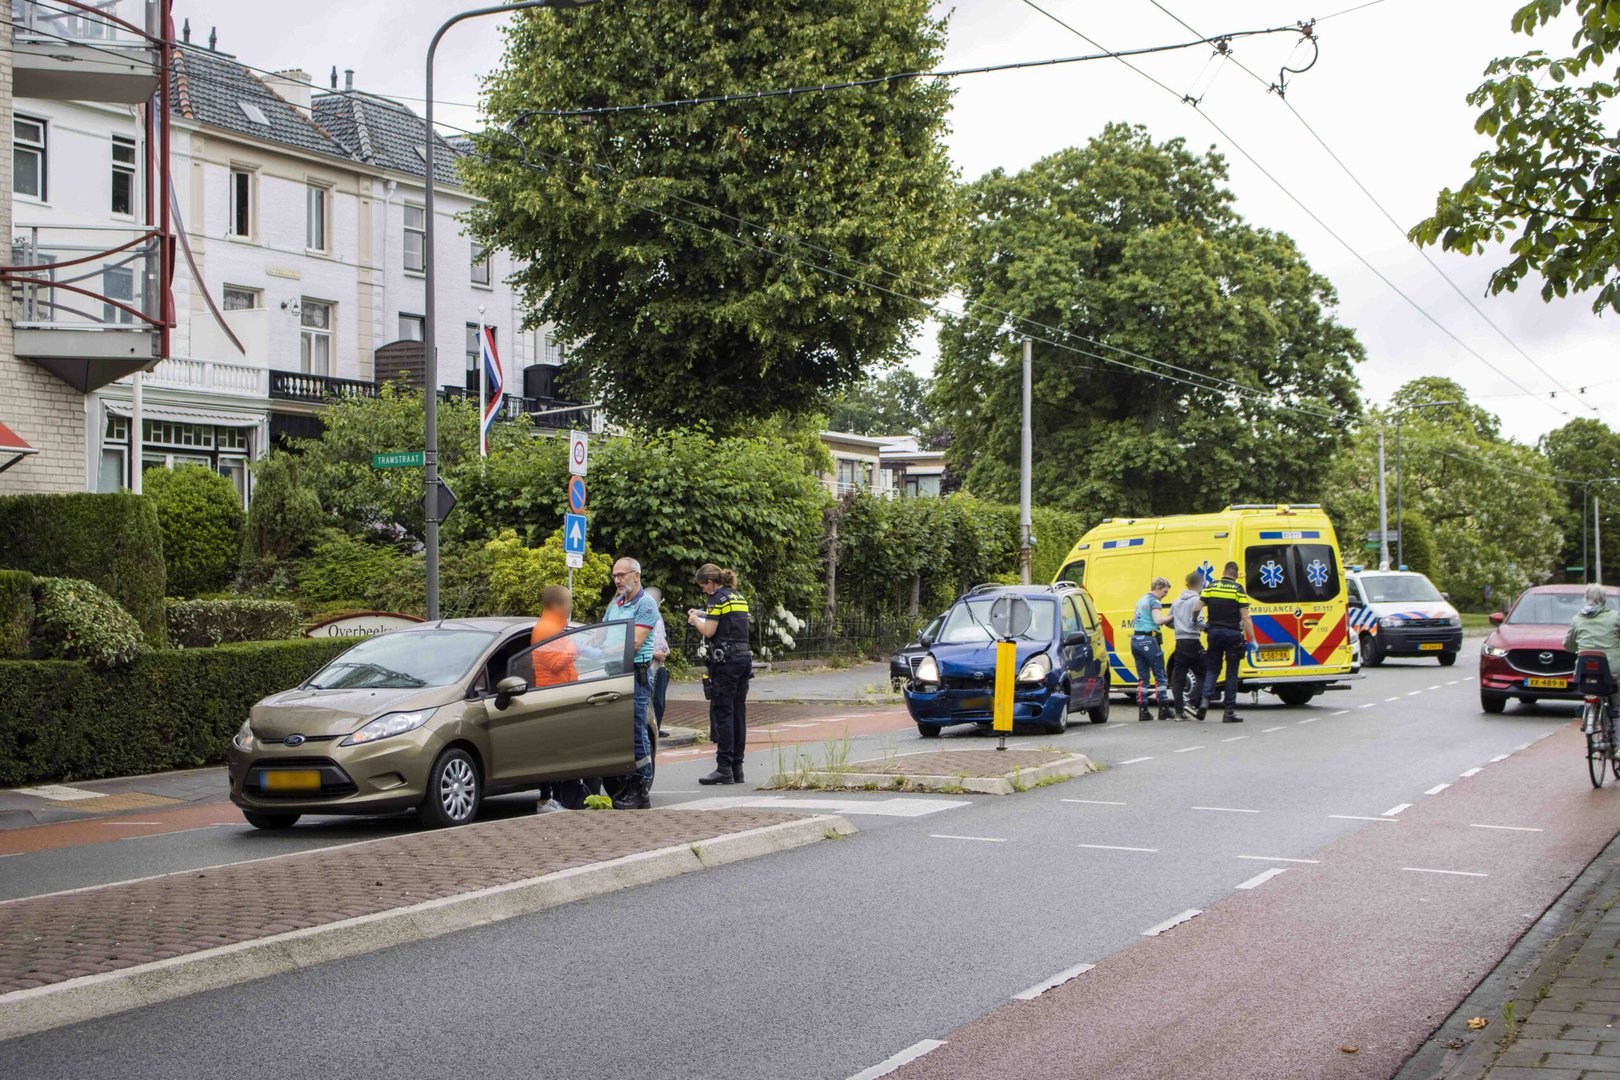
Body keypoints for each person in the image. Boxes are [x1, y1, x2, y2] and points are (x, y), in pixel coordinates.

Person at [688, 563, 752, 785]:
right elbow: (726, 618)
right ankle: (737, 767)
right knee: (738, 712)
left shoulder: (716, 598)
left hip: (726, 662)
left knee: (723, 712)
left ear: (710, 583)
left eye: (703, 586)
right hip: (744, 659)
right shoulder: (737, 596)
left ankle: (723, 767)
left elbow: (709, 630)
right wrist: (703, 612)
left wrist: (696, 619)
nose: (703, 590)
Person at [603, 557, 659, 809]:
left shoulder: (645, 604)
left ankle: (641, 787)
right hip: (614, 671)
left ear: (636, 575)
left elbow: (634, 643)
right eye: (615, 575)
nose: (617, 580)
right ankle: (626, 783)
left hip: (635, 672)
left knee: (636, 729)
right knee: (619, 730)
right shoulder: (616, 603)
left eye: (622, 575)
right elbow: (603, 633)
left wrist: (602, 652)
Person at [1196, 561, 1254, 723]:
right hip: (1233, 634)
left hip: (1214, 633)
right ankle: (1229, 712)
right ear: (1236, 574)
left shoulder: (1211, 587)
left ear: (1224, 571)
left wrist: (1197, 622)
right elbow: (1245, 617)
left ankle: (1204, 702)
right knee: (1231, 673)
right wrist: (1253, 639)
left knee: (1212, 669)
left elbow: (1196, 608)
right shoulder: (1237, 590)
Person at [1565, 584, 1620, 726]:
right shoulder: (1615, 617)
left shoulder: (1577, 619)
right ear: (1604, 599)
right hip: (1612, 669)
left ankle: (1590, 713)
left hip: (1584, 670)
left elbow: (1568, 645)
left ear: (1586, 598)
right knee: (1617, 706)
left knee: (1590, 688)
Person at [1131, 577, 1175, 721]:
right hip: (1149, 640)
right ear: (1157, 588)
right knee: (1160, 674)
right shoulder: (1154, 602)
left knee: (1143, 678)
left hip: (1136, 640)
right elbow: (1157, 620)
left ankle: (1143, 710)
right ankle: (1163, 709)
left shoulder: (1140, 600)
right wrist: (1171, 617)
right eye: (1164, 591)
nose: (1165, 595)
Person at [1168, 571, 1206, 720]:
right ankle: (1192, 702)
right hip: (1193, 640)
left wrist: (1178, 625)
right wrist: (1206, 627)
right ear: (1199, 583)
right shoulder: (1197, 600)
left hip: (1180, 642)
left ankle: (1179, 712)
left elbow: (1169, 622)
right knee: (1205, 671)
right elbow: (1199, 620)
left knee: (1178, 677)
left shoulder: (1177, 601)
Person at [528, 584, 577, 687]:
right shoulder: (547, 629)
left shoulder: (554, 627)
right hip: (553, 690)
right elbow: (556, 663)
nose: (571, 605)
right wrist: (574, 646)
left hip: (559, 686)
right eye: (569, 601)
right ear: (555, 605)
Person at [646, 586, 672, 738]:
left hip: (660, 660)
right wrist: (655, 653)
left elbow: (660, 636)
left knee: (659, 697)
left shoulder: (658, 616)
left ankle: (657, 725)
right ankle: (650, 726)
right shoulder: (643, 615)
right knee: (650, 696)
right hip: (650, 660)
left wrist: (665, 650)